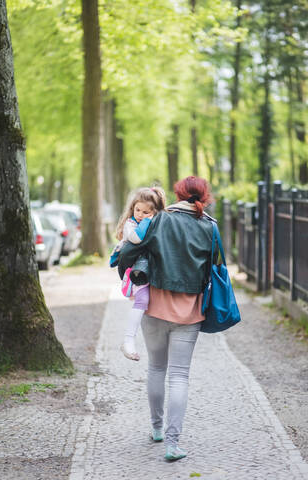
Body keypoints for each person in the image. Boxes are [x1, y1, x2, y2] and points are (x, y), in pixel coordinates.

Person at [118, 176, 216, 461]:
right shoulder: (210, 226)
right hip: (190, 311)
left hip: (155, 306)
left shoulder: (159, 219)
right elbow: (217, 266)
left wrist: (130, 278)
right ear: (204, 196)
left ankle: (157, 429)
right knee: (179, 376)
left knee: (157, 369)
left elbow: (128, 250)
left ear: (177, 193)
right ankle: (172, 444)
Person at [110, 186, 166, 361]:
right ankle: (128, 340)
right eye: (137, 210)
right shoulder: (131, 224)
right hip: (137, 271)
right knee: (142, 301)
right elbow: (136, 239)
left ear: (155, 212)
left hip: (154, 270)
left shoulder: (160, 223)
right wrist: (147, 222)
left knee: (153, 303)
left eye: (146, 212)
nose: (140, 214)